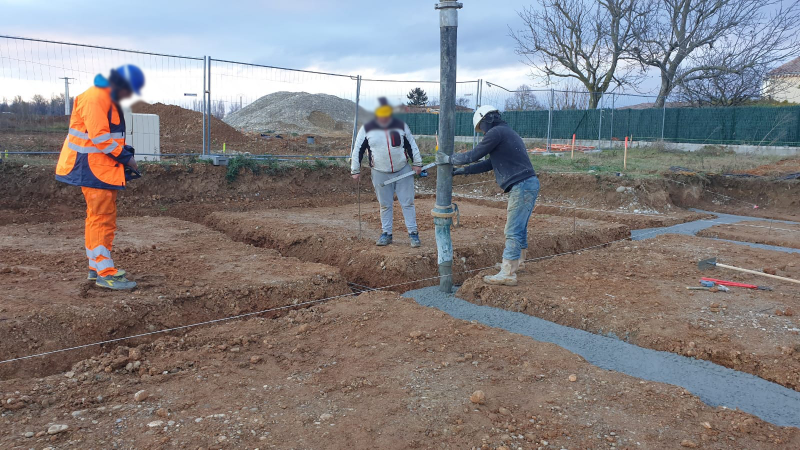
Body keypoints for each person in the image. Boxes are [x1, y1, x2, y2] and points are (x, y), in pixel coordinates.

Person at [55, 65, 145, 290]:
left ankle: (97, 267)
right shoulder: (96, 98)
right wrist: (127, 158)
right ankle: (105, 273)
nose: (129, 96)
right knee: (101, 219)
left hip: (101, 168)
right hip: (94, 169)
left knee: (98, 217)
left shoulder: (106, 97)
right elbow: (101, 138)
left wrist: (123, 155)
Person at [436, 105, 539, 286]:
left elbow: (474, 155)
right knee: (519, 227)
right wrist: (462, 171)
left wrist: (448, 159)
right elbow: (489, 163)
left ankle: (508, 272)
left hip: (522, 185)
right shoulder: (506, 132)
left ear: (486, 120)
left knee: (513, 229)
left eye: (481, 128)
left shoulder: (496, 133)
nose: (482, 133)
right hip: (527, 183)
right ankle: (518, 263)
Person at [351, 97, 424, 247]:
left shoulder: (401, 126)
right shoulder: (366, 129)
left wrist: (417, 163)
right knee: (385, 204)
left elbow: (412, 145)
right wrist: (355, 170)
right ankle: (386, 233)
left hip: (402, 170)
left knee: (408, 202)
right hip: (379, 172)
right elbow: (358, 149)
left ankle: (413, 234)